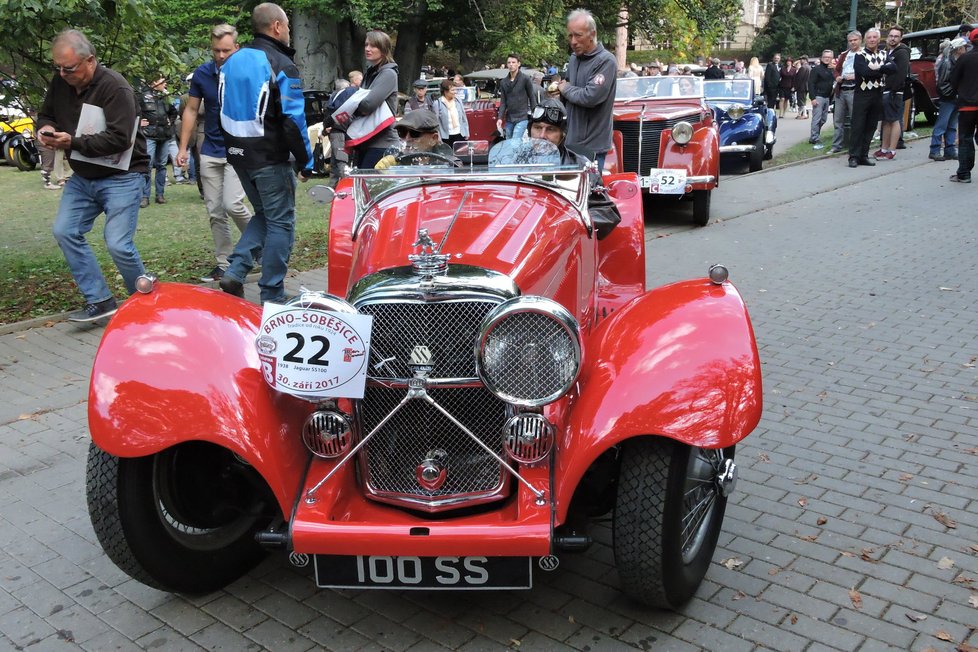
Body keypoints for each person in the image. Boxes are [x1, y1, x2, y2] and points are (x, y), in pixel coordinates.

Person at [37, 29, 148, 322]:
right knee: (65, 230)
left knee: (118, 243)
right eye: (57, 67)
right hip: (85, 176)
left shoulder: (116, 88)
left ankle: (147, 304)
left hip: (123, 175)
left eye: (69, 68)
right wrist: (45, 129)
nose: (62, 74)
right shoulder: (60, 82)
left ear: (90, 61)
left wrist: (71, 142)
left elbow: (120, 138)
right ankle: (100, 300)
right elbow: (46, 113)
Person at [217, 2, 312, 304]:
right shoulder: (281, 63)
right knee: (282, 221)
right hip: (271, 158)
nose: (288, 32)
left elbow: (220, 107)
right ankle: (273, 293)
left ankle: (236, 269)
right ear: (277, 27)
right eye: (287, 26)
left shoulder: (231, 61)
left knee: (265, 215)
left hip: (238, 154)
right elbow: (293, 120)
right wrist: (308, 160)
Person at [176, 23, 254, 284]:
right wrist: (183, 147)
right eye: (216, 50)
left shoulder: (246, 73)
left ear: (237, 48)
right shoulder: (202, 74)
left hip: (239, 148)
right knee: (215, 211)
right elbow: (190, 110)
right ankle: (224, 263)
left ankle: (258, 244)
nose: (220, 56)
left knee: (233, 204)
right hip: (210, 148)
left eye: (226, 51)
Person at [558, 8, 617, 171]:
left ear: (592, 33)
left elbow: (590, 97)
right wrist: (557, 93)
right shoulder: (573, 59)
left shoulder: (606, 61)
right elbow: (567, 92)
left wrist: (565, 89)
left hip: (593, 147)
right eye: (570, 35)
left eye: (578, 35)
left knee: (590, 193)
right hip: (570, 143)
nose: (573, 41)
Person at [351, 30, 399, 170]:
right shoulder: (371, 73)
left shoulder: (388, 74)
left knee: (370, 187)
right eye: (366, 45)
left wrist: (352, 107)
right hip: (366, 140)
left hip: (382, 144)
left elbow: (367, 104)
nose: (367, 49)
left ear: (383, 50)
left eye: (373, 46)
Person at [138, 75, 180, 206]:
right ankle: (145, 196)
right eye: (162, 82)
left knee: (161, 165)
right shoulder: (142, 95)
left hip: (164, 135)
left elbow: (173, 112)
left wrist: (170, 122)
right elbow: (134, 110)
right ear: (154, 82)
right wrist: (139, 121)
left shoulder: (166, 97)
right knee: (148, 165)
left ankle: (160, 195)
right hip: (149, 134)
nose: (165, 84)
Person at [848, 28, 886, 168]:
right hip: (862, 93)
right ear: (865, 39)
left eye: (874, 37)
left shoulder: (883, 53)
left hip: (877, 93)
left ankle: (864, 155)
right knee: (858, 126)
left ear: (878, 39)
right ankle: (853, 156)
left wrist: (875, 69)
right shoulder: (860, 54)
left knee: (871, 126)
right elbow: (863, 72)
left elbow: (893, 68)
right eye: (869, 37)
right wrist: (881, 70)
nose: (871, 39)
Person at [374, 109, 456, 169]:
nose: (407, 138)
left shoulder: (450, 164)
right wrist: (382, 175)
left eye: (414, 133)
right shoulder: (393, 162)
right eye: (402, 132)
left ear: (433, 139)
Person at [948, 27, 978, 183]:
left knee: (965, 138)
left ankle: (964, 173)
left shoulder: (965, 59)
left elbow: (953, 80)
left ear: (971, 41)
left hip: (967, 105)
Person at [875, 26, 910, 160]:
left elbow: (901, 73)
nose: (892, 38)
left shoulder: (902, 53)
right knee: (886, 120)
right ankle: (884, 148)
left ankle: (892, 149)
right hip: (885, 90)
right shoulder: (888, 52)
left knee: (894, 120)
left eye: (896, 36)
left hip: (895, 91)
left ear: (901, 38)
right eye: (891, 36)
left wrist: (895, 90)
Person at [930, 38, 967, 161]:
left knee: (951, 125)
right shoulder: (948, 63)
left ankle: (949, 149)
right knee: (942, 124)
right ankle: (935, 149)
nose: (966, 50)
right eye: (964, 47)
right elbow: (943, 82)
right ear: (959, 49)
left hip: (955, 96)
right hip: (949, 97)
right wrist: (952, 93)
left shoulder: (955, 61)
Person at [832, 31, 862, 154]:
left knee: (856, 119)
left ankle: (854, 146)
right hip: (841, 89)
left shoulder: (864, 54)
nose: (852, 42)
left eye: (855, 40)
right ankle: (836, 146)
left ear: (860, 40)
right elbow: (836, 70)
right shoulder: (844, 55)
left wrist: (856, 76)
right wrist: (837, 77)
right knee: (838, 120)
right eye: (850, 40)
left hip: (855, 90)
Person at [496, 53, 537, 141]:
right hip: (509, 118)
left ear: (519, 64)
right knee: (508, 142)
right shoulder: (503, 82)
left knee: (515, 142)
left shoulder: (525, 79)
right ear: (507, 64)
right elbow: (503, 102)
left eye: (513, 62)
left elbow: (532, 97)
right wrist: (499, 118)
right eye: (509, 62)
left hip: (522, 117)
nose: (511, 64)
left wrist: (535, 114)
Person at [808, 50, 835, 148]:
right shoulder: (816, 69)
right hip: (818, 96)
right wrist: (813, 98)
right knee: (817, 118)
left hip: (827, 97)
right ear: (822, 57)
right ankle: (814, 138)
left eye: (829, 57)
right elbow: (811, 83)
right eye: (825, 57)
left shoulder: (831, 70)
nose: (827, 59)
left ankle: (816, 135)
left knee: (823, 119)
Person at [433, 78, 469, 146]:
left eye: (455, 89)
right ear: (445, 91)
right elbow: (435, 123)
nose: (455, 92)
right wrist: (438, 136)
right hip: (445, 137)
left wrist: (466, 132)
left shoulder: (458, 101)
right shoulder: (438, 103)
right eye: (452, 90)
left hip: (459, 134)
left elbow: (464, 118)